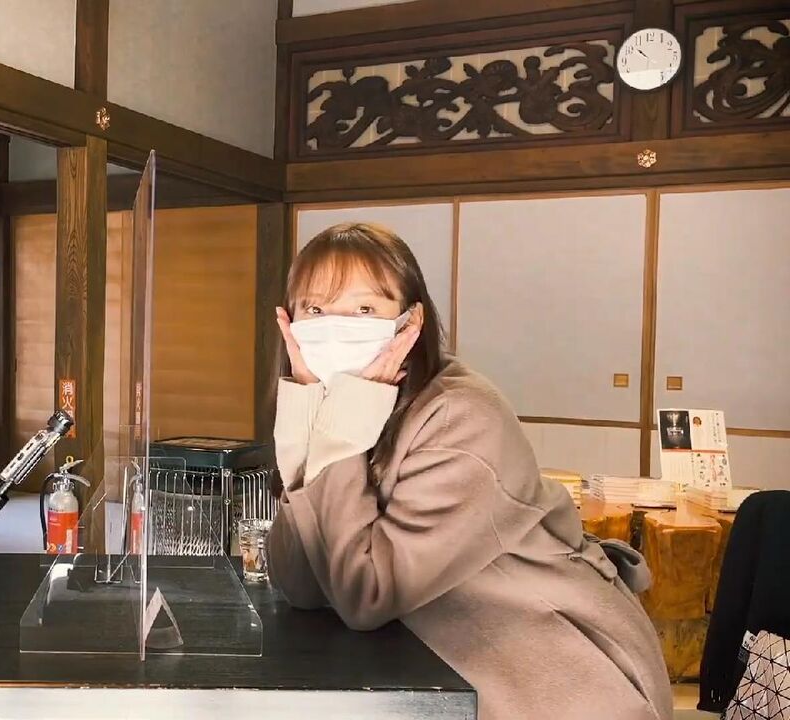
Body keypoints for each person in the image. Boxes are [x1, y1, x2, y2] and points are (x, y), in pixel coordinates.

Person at [267, 222, 672, 720]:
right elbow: (302, 585)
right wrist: (308, 415)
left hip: (559, 683)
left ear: (410, 321)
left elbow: (363, 595)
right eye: (315, 309)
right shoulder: (350, 406)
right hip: (452, 671)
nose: (335, 326)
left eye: (365, 309)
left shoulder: (461, 415)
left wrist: (337, 429)